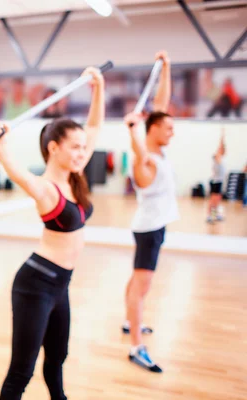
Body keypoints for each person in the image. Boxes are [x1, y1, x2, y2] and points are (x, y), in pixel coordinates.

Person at [0, 67, 105, 400]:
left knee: (56, 360)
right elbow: (18, 173)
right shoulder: (47, 189)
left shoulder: (74, 177)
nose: (83, 152)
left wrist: (99, 88)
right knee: (21, 371)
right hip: (35, 285)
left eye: (84, 147)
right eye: (76, 147)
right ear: (53, 148)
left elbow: (94, 127)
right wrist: (2, 145)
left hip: (61, 284)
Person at [122, 50, 176, 373]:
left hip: (154, 225)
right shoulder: (146, 158)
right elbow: (141, 166)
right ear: (152, 130)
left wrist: (166, 69)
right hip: (149, 229)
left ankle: (131, 322)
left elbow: (162, 103)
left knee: (138, 283)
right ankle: (136, 348)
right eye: (167, 128)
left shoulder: (156, 148)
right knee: (142, 287)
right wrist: (132, 132)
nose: (172, 131)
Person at [207, 129, 226, 223]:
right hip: (215, 182)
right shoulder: (217, 157)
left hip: (219, 181)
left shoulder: (221, 158)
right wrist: (222, 136)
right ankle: (209, 216)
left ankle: (215, 215)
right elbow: (220, 146)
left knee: (217, 200)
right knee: (213, 200)